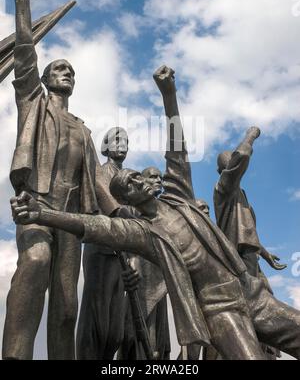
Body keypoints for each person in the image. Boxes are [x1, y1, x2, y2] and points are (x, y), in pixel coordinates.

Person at [11, 66, 300, 360]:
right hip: (222, 309)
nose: (140, 180)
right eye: (131, 183)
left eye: (139, 176)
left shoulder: (179, 196)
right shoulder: (143, 231)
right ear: (130, 199)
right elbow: (93, 225)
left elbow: (177, 150)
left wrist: (169, 95)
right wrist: (41, 214)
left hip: (252, 293)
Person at [2, 0, 103, 360]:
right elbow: (25, 54)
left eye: (71, 71)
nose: (67, 73)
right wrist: (23, 1)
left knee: (66, 308)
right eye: (60, 68)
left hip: (72, 216)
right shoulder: (34, 105)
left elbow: (98, 187)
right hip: (37, 204)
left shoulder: (82, 129)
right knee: (36, 261)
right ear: (45, 78)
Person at [214, 129, 286, 359]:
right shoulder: (224, 189)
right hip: (237, 257)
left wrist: (265, 254)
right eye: (230, 161)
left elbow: (247, 232)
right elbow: (242, 156)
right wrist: (250, 136)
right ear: (223, 169)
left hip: (249, 255)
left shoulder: (241, 194)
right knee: (250, 305)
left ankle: (266, 349)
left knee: (264, 298)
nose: (234, 163)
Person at [77, 127, 129, 359]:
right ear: (105, 147)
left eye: (126, 140)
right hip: (101, 250)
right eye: (117, 139)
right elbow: (112, 208)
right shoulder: (100, 172)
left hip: (123, 253)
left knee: (115, 331)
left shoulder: (128, 176)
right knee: (96, 319)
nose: (122, 143)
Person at [120, 167, 171, 360]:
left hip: (161, 281)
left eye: (160, 177)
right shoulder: (132, 209)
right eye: (153, 177)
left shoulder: (163, 210)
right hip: (140, 279)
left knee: (159, 339)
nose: (159, 180)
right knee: (137, 334)